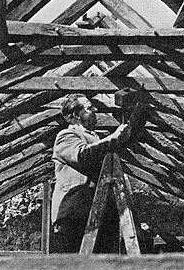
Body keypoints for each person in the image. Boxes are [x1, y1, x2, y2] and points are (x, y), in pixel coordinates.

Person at [51, 94, 132, 253]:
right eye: (89, 107)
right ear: (75, 116)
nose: (95, 109)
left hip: (98, 213)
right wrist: (112, 139)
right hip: (74, 214)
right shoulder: (66, 136)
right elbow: (82, 155)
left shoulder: (96, 138)